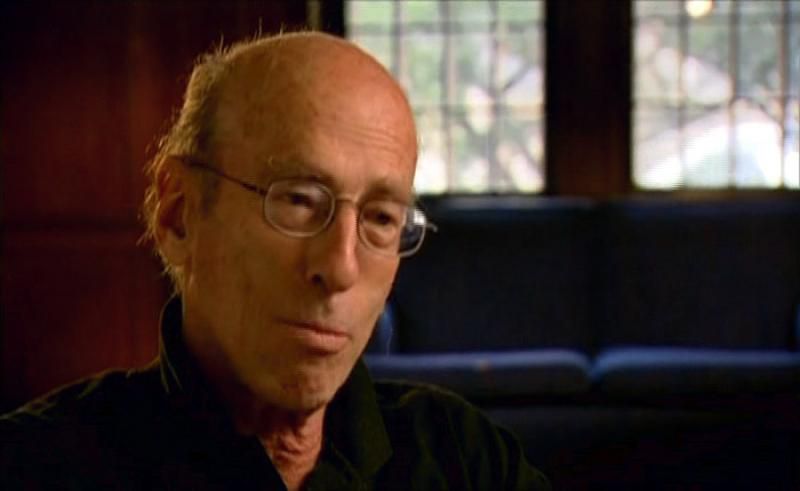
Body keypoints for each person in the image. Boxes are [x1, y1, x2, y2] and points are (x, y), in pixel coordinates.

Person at [1, 32, 550, 490]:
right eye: (299, 201)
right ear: (178, 215)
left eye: (381, 218)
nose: (340, 268)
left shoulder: (464, 459)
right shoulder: (36, 465)